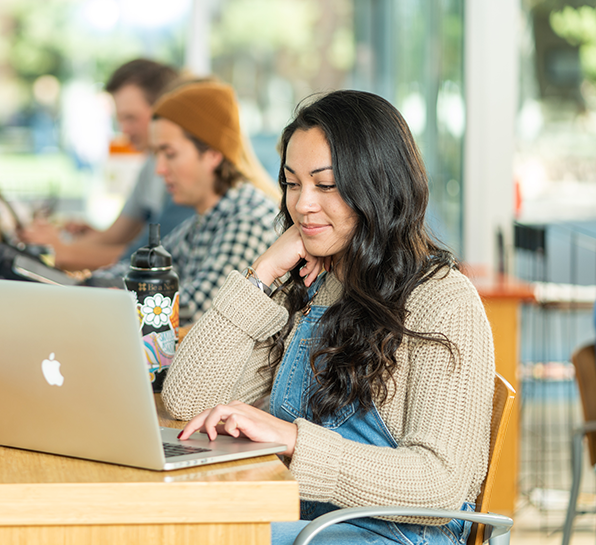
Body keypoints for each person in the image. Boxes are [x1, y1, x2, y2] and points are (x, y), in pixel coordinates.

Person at [161, 90, 495, 545]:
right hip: (314, 527)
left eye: (325, 184)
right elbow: (186, 400)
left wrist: (294, 439)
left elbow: (438, 484)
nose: (302, 205)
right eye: (292, 183)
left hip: (399, 536)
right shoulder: (312, 285)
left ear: (377, 187)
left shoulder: (443, 300)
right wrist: (261, 275)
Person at [91, 80, 280, 324]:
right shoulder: (203, 220)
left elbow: (198, 311)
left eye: (169, 154)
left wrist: (107, 296)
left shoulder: (247, 219)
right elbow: (138, 271)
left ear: (212, 154)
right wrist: (89, 286)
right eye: (157, 155)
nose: (160, 169)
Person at [19, 59, 195, 271]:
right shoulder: (151, 164)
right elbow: (117, 237)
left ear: (165, 109)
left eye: (131, 118)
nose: (124, 130)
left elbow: (160, 259)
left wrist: (61, 250)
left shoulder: (186, 173)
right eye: (119, 119)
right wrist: (67, 243)